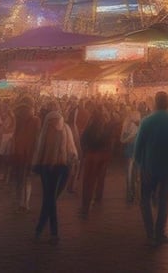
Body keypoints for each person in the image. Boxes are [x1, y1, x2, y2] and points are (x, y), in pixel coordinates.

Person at [133, 90, 168, 246]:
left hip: (148, 166)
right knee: (164, 200)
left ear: (155, 103)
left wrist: (138, 164)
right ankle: (160, 232)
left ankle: (150, 233)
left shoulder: (146, 122)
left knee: (145, 200)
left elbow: (138, 146)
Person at [32, 104, 78, 244]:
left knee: (49, 199)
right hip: (60, 167)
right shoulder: (65, 128)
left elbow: (40, 148)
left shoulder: (47, 129)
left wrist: (36, 164)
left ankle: (42, 229)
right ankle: (51, 232)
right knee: (51, 199)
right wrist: (74, 159)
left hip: (48, 167)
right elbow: (71, 148)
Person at [79, 105, 113, 218]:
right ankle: (98, 197)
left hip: (92, 155)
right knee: (100, 178)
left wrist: (84, 151)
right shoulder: (107, 127)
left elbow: (83, 139)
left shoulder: (90, 127)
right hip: (103, 155)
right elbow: (110, 142)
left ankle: (85, 207)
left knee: (88, 182)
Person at [12, 96, 40, 213]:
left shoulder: (20, 118)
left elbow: (15, 134)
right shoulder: (34, 120)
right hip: (26, 152)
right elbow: (37, 138)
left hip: (21, 152)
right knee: (25, 178)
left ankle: (21, 202)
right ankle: (24, 203)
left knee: (21, 178)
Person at [120, 107, 140, 203]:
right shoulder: (140, 124)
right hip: (137, 150)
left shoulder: (127, 123)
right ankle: (136, 193)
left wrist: (127, 138)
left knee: (129, 172)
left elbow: (122, 138)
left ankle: (130, 193)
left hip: (130, 149)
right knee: (136, 172)